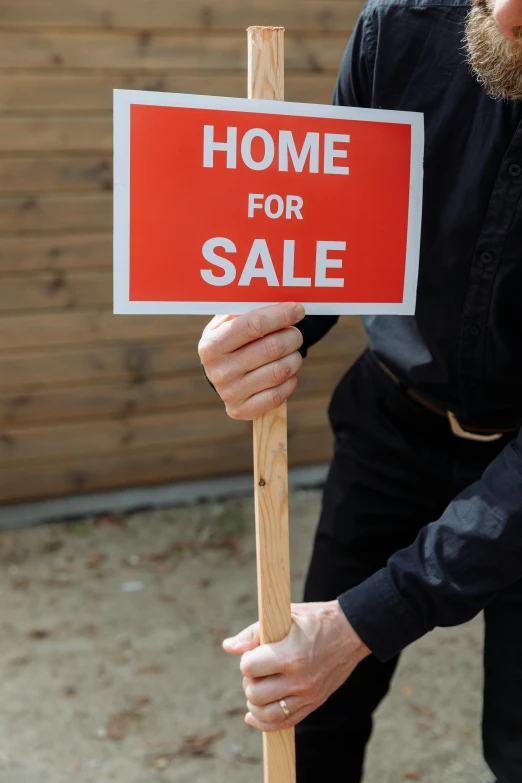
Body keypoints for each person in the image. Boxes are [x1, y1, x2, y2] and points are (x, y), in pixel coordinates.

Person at [197, 0, 522, 779]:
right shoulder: (398, 29)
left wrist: (359, 622)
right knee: (312, 722)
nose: (508, 11)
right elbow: (330, 242)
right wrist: (262, 336)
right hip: (392, 423)